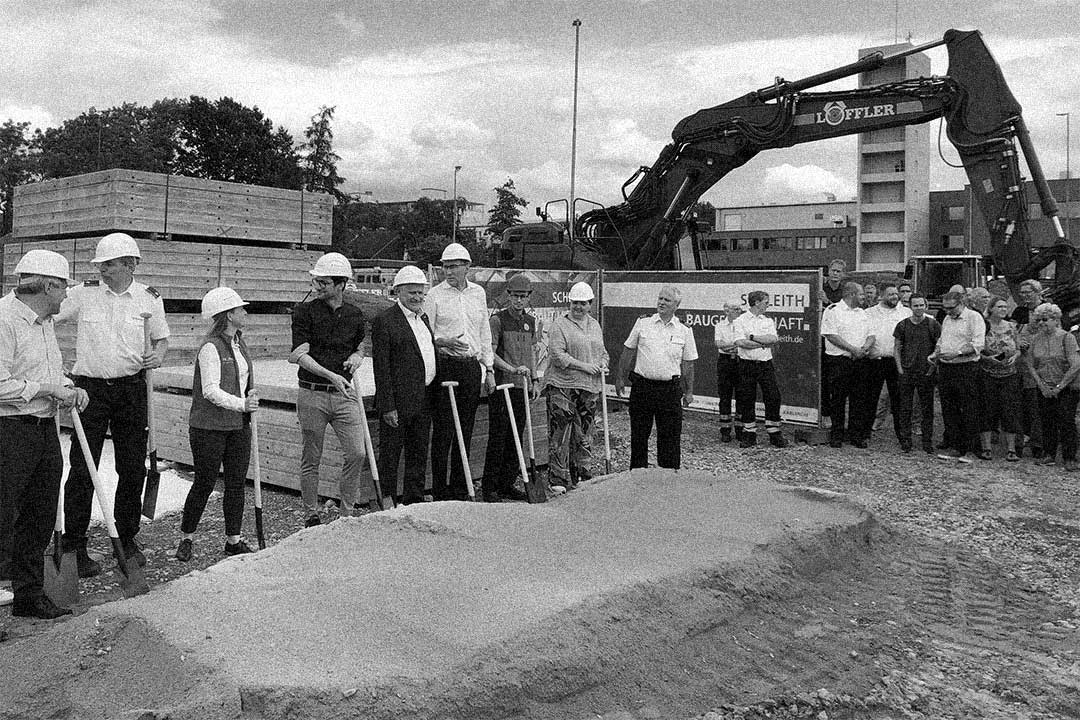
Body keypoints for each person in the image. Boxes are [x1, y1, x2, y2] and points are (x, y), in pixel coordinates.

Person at [55, 232, 169, 576]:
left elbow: (162, 338)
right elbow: (46, 315)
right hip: (89, 389)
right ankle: (75, 544)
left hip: (131, 390)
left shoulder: (148, 298)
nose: (102, 270)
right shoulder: (84, 294)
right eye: (100, 265)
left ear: (130, 264)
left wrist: (158, 355)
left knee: (132, 466)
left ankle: (127, 536)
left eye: (109, 265)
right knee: (82, 467)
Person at [0, 250, 89, 618]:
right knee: (3, 518)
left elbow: (49, 369)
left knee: (39, 516)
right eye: (64, 288)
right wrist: (48, 390)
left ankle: (28, 595)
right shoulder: (4, 320)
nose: (67, 296)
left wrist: (68, 386)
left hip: (43, 430)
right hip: (9, 432)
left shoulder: (43, 321)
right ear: (49, 286)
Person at [175, 288, 259, 562]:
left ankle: (233, 540)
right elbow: (210, 390)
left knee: (236, 483)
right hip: (208, 427)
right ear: (228, 315)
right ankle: (187, 536)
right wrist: (241, 404)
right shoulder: (211, 347)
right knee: (204, 482)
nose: (245, 313)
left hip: (238, 426)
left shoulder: (239, 342)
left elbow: (242, 379)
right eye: (240, 309)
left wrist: (249, 395)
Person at [288, 252, 366, 526]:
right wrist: (331, 375)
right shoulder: (304, 311)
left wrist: (357, 357)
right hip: (312, 394)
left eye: (324, 282)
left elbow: (360, 346)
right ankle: (311, 512)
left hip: (344, 396)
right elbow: (298, 355)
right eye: (316, 280)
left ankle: (346, 512)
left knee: (358, 452)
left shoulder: (355, 315)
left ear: (341, 284)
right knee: (312, 455)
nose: (317, 286)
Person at [426, 243, 495, 501]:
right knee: (444, 429)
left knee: (465, 428)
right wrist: (442, 341)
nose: (449, 271)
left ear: (467, 267)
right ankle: (440, 490)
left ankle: (459, 487)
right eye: (445, 266)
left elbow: (484, 333)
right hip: (446, 365)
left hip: (470, 367)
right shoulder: (434, 295)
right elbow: (425, 334)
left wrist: (488, 369)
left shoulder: (478, 294)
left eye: (454, 266)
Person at [371, 266, 437, 506]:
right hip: (398, 402)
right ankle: (387, 500)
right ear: (398, 291)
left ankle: (414, 499)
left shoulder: (423, 318)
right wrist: (388, 406)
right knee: (390, 453)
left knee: (418, 451)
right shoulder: (385, 321)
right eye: (412, 293)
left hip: (423, 397)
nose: (417, 298)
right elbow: (382, 367)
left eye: (421, 293)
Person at [615, 286, 697, 469]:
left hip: (669, 390)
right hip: (642, 388)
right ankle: (637, 477)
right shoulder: (643, 323)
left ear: (676, 305)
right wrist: (619, 378)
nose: (661, 302)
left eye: (667, 300)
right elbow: (628, 351)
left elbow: (688, 363)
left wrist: (689, 391)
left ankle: (668, 480)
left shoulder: (684, 330)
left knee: (670, 438)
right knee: (639, 436)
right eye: (660, 298)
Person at [545, 281, 608, 492]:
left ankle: (582, 473)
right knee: (560, 432)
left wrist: (603, 365)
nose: (578, 307)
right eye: (575, 303)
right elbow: (558, 355)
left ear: (590, 304)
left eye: (583, 303)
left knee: (585, 432)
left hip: (589, 388)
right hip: (563, 386)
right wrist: (584, 367)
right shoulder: (559, 325)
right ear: (569, 303)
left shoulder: (595, 325)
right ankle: (558, 478)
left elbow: (602, 351)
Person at [482, 273, 539, 501]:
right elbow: (491, 353)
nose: (518, 301)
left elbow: (533, 353)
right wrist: (512, 368)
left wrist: (535, 380)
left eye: (523, 297)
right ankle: (490, 487)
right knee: (499, 437)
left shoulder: (531, 322)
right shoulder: (497, 320)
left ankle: (507, 483)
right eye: (515, 296)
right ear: (508, 295)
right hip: (502, 386)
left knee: (517, 437)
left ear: (528, 297)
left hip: (522, 388)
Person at [1024, 302, 1080, 471]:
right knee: (1047, 421)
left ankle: (1069, 457)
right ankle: (1049, 454)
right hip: (1044, 386)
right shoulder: (1035, 339)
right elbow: (1031, 364)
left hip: (1066, 387)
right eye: (1039, 320)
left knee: (1066, 420)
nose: (1041, 323)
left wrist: (1060, 386)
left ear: (1056, 320)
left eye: (1045, 319)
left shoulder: (1066, 338)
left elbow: (1076, 364)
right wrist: (1041, 385)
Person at [931, 290, 985, 463]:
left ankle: (971, 449)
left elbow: (978, 345)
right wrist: (936, 353)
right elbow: (942, 340)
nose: (947, 311)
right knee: (949, 408)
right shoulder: (947, 318)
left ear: (961, 303)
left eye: (951, 308)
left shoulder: (974, 318)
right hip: (947, 368)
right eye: (945, 308)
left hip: (966, 367)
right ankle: (955, 445)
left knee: (969, 408)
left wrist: (958, 353)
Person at [732, 291, 788, 448]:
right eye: (765, 302)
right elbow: (740, 342)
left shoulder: (768, 320)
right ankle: (749, 433)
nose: (767, 305)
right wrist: (763, 343)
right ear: (756, 302)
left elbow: (773, 339)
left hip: (765, 363)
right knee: (746, 398)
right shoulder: (740, 321)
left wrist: (752, 337)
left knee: (773, 396)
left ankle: (774, 433)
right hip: (746, 364)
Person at [821, 282, 873, 448]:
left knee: (859, 399)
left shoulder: (862, 313)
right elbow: (830, 335)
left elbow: (871, 334)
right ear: (852, 294)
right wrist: (852, 349)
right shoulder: (833, 311)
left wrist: (864, 348)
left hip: (859, 361)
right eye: (861, 295)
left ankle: (855, 435)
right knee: (837, 399)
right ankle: (837, 434)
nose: (864, 298)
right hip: (839, 361)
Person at [864, 284, 911, 445]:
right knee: (870, 398)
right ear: (881, 295)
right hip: (875, 361)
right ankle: (864, 434)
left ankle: (903, 437)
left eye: (896, 294)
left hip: (896, 362)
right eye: (890, 294)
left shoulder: (906, 313)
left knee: (899, 400)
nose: (895, 297)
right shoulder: (869, 313)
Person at [893, 294, 940, 454]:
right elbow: (897, 348)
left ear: (925, 306)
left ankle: (927, 441)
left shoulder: (933, 325)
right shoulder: (903, 325)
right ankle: (906, 440)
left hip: (926, 372)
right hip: (907, 372)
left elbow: (938, 347)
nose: (919, 308)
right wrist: (899, 368)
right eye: (915, 305)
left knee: (927, 409)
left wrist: (932, 369)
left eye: (921, 305)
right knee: (905, 408)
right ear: (910, 307)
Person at [978, 297, 1022, 462]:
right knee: (988, 409)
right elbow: (978, 349)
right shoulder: (984, 326)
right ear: (991, 308)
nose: (1003, 309)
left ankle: (1011, 449)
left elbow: (1017, 349)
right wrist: (989, 359)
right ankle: (986, 447)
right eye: (999, 306)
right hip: (988, 373)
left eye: (1005, 306)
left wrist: (1015, 357)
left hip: (1009, 374)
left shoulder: (1011, 326)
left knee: (1009, 410)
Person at [1012, 280, 1044, 457]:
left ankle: (1038, 443)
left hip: (1040, 363)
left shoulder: (1047, 309)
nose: (1024, 295)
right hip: (1020, 363)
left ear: (1037, 292)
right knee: (1020, 403)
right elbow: (1011, 330)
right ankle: (1022, 438)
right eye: (1022, 292)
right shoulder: (1019, 311)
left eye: (1028, 292)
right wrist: (1018, 341)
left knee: (1035, 404)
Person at [713, 301, 743, 442]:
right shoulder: (720, 325)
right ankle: (725, 430)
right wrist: (735, 346)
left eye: (739, 309)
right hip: (725, 362)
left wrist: (733, 346)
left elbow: (744, 345)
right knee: (725, 396)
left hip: (741, 361)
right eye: (735, 309)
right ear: (726, 311)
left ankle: (740, 429)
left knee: (742, 396)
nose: (739, 311)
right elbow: (719, 344)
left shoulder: (743, 324)